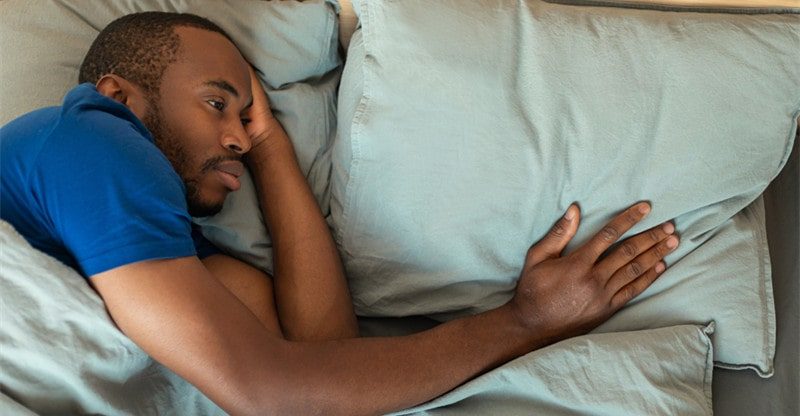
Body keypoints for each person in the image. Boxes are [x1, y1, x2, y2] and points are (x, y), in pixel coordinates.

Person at [0, 12, 680, 415]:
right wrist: (526, 321)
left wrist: (273, 150)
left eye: (246, 118)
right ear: (118, 94)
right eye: (216, 104)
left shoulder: (169, 258)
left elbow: (324, 360)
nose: (238, 137)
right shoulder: (94, 138)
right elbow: (271, 393)